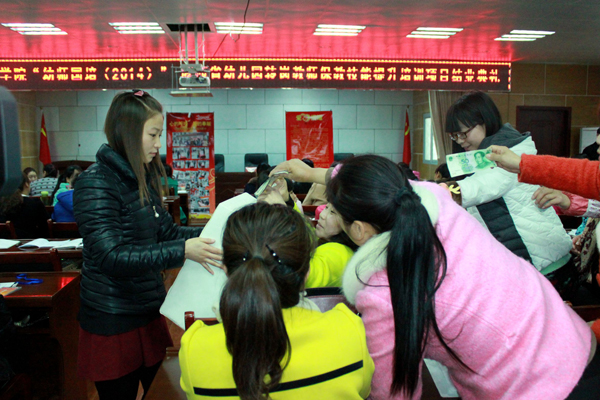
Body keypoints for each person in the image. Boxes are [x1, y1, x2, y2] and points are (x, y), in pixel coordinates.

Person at [271, 155, 598, 400]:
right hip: (576, 343)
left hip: (533, 389)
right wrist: (314, 174)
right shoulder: (435, 199)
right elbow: (387, 186)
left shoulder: (383, 291)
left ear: (358, 230)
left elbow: (395, 392)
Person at [73, 90, 223, 400]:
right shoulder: (96, 181)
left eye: (159, 135)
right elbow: (110, 256)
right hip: (113, 316)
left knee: (162, 391)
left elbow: (167, 232)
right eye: (153, 134)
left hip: (147, 308)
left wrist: (220, 229)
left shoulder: (138, 177)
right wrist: (183, 251)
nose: (158, 144)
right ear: (128, 132)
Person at [179, 202, 374, 399]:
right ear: (307, 271)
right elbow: (364, 391)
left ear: (226, 270)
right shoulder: (350, 333)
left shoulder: (194, 350)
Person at [444, 91, 572, 277]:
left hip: (545, 264)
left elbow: (480, 187)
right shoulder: (480, 155)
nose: (460, 141)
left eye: (463, 133)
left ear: (485, 121)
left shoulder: (512, 153)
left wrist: (438, 192)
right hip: (526, 262)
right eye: (454, 136)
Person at [0, 173, 49, 238]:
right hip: (31, 242)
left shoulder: (2, 203)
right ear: (26, 184)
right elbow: (45, 228)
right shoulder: (35, 203)